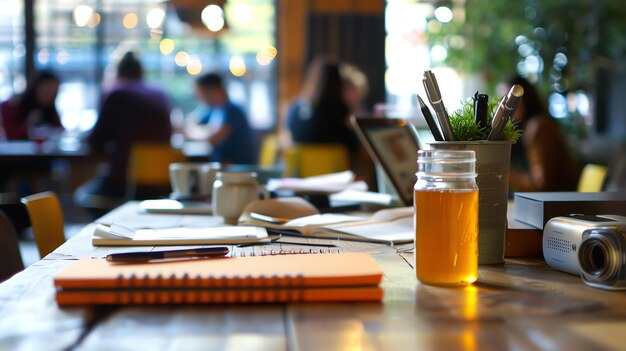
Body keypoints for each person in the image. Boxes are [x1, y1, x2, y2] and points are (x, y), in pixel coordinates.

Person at [74, 51, 172, 211]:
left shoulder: (117, 93)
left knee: (83, 195)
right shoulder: (160, 94)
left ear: (116, 72)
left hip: (125, 183)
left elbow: (96, 141)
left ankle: (110, 231)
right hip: (161, 183)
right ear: (141, 72)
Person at [507, 75, 580, 192]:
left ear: (523, 99)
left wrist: (502, 173)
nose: (503, 108)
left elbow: (540, 186)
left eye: (508, 100)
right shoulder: (537, 124)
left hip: (559, 204)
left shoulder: (538, 128)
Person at [184, 72, 256, 165]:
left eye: (200, 92)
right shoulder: (214, 109)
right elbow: (192, 121)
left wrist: (199, 132)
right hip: (221, 165)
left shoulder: (233, 111)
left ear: (213, 90)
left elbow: (213, 137)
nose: (198, 97)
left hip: (236, 168)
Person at [286, 57, 356, 149]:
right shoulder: (339, 109)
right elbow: (352, 145)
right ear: (338, 82)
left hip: (301, 161)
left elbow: (290, 133)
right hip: (332, 162)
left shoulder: (297, 106)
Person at [1, 70, 63, 140]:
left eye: (54, 92)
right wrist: (28, 125)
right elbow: (10, 136)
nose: (50, 95)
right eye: (47, 90)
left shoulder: (50, 109)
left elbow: (60, 132)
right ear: (36, 87)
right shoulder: (13, 105)